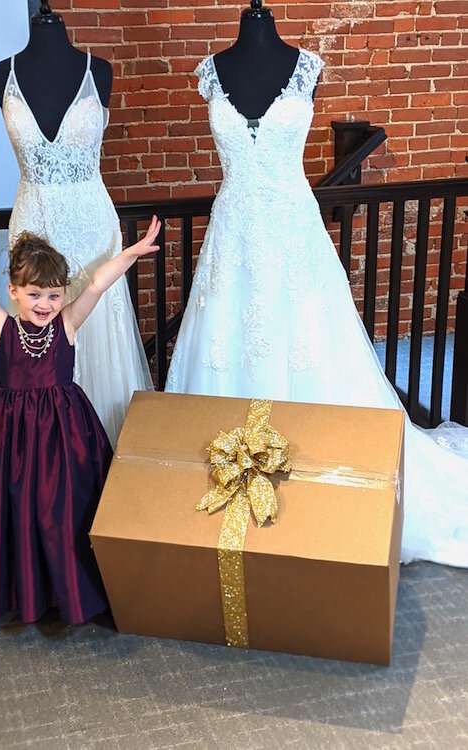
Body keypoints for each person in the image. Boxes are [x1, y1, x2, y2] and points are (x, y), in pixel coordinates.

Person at [165, 7, 468, 568]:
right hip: (231, 236)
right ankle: (229, 506)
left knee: (305, 345)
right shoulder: (212, 71)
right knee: (225, 350)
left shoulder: (306, 67)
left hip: (292, 234)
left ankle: (316, 510)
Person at [0, 214, 160, 623]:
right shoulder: (1, 326)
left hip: (64, 437)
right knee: (16, 513)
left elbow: (96, 283)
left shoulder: (68, 324)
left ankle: (70, 592)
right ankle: (23, 591)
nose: (45, 304)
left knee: (60, 515)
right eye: (35, 294)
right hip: (10, 440)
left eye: (54, 295)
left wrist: (131, 252)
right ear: (14, 291)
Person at [0, 8, 152, 448]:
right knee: (40, 338)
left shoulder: (98, 71)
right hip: (33, 222)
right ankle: (46, 466)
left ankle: (104, 462)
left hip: (91, 231)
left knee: (96, 325)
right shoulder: (1, 73)